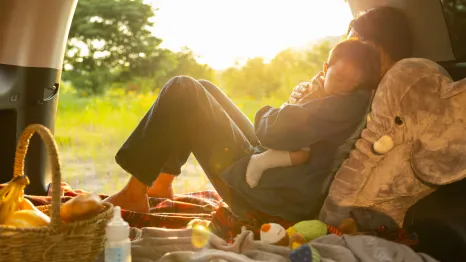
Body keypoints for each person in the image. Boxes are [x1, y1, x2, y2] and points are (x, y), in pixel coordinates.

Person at [104, 6, 412, 222]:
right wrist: (309, 101)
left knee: (184, 89)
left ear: (385, 53)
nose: (352, 53)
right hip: (278, 172)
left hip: (265, 195)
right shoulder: (364, 95)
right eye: (351, 43)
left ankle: (135, 192)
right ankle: (161, 182)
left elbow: (272, 131)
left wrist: (295, 105)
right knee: (204, 88)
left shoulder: (352, 101)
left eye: (361, 44)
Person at [245, 39, 382, 188]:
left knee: (302, 154)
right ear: (325, 69)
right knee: (214, 93)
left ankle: (263, 161)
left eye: (353, 85)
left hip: (292, 164)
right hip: (285, 136)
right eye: (339, 79)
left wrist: (280, 111)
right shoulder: (319, 89)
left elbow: (273, 131)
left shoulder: (343, 104)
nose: (344, 88)